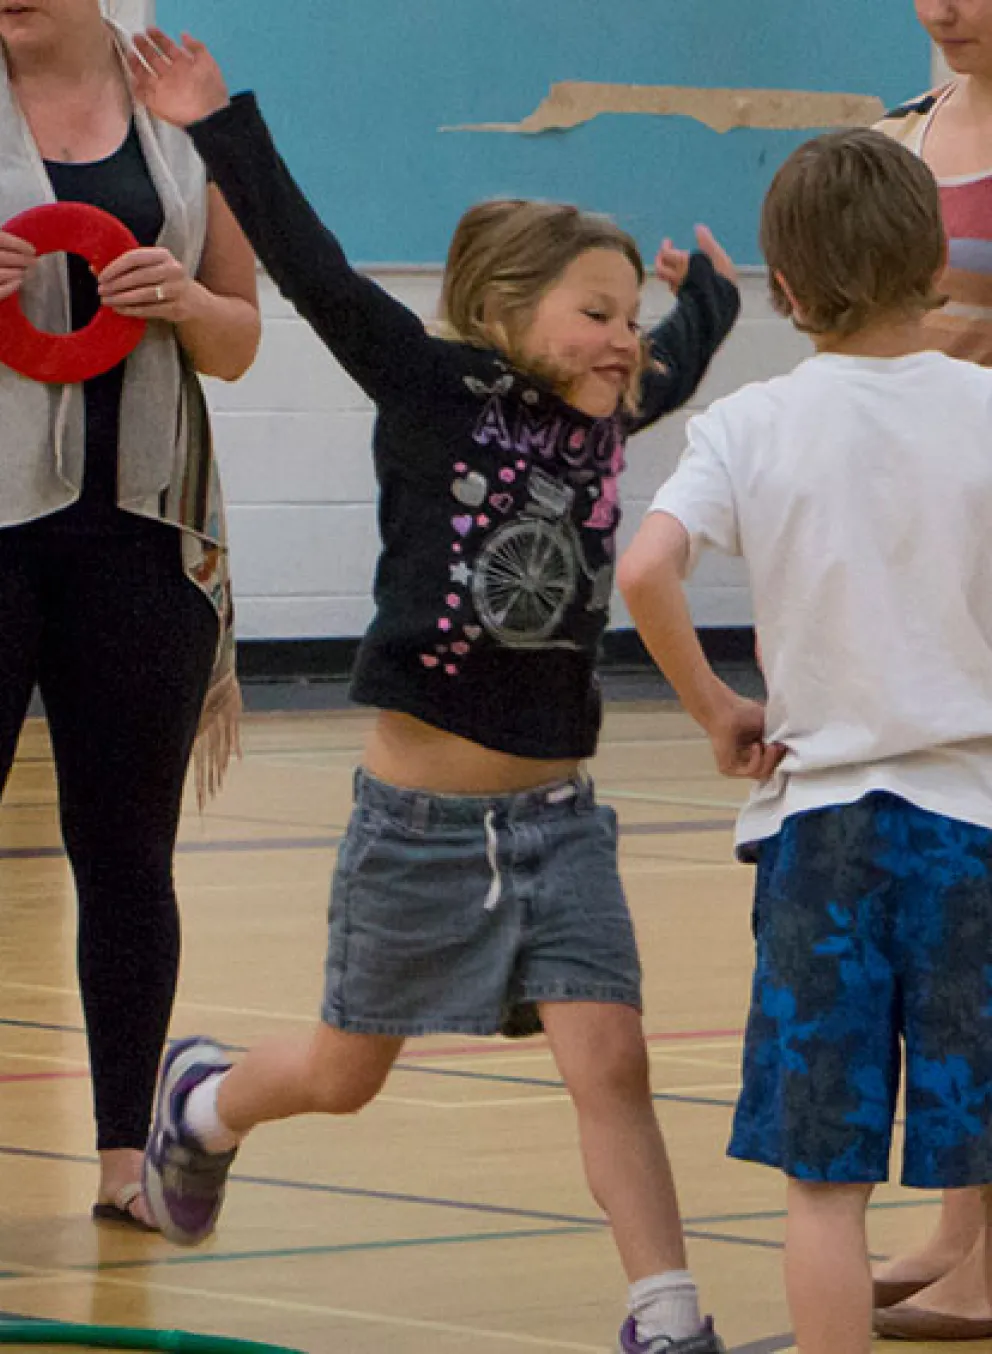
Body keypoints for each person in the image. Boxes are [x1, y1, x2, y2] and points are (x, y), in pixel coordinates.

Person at [126, 27, 740, 1354]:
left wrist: (716, 302)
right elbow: (317, 271)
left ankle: (666, 1313)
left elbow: (674, 360)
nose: (624, 343)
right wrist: (218, 125)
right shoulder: (428, 389)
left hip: (560, 821)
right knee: (346, 1075)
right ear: (503, 313)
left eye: (630, 320)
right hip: (418, 832)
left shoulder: (602, 411)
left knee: (613, 1062)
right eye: (596, 314)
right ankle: (206, 1104)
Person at [618, 128, 992, 1354]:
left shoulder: (748, 422)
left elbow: (644, 568)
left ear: (781, 285)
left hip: (820, 834)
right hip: (974, 827)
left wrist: (716, 705)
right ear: (934, 254)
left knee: (822, 1183)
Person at [0, 1, 260, 1230]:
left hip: (144, 536)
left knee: (126, 855)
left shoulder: (182, 106)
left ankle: (123, 1157)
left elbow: (238, 340)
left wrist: (178, 300)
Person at [867, 2, 992, 1335]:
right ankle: (962, 1219)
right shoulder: (895, 136)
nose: (946, 8)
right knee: (946, 897)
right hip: (920, 534)